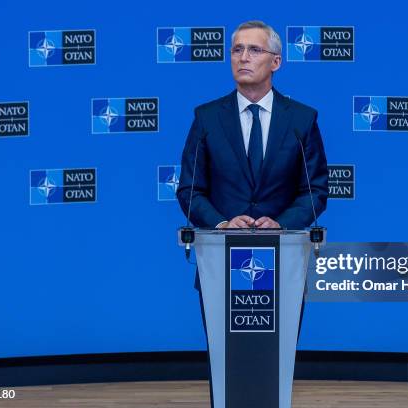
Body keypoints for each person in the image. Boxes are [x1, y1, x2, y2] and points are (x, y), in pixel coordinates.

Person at [176, 20, 328, 407]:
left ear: (276, 61)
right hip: (220, 266)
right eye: (237, 49)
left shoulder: (302, 120)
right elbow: (190, 191)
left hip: (284, 266)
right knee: (228, 369)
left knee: (272, 366)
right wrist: (222, 224)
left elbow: (315, 192)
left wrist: (282, 224)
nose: (243, 57)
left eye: (254, 50)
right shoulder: (207, 118)